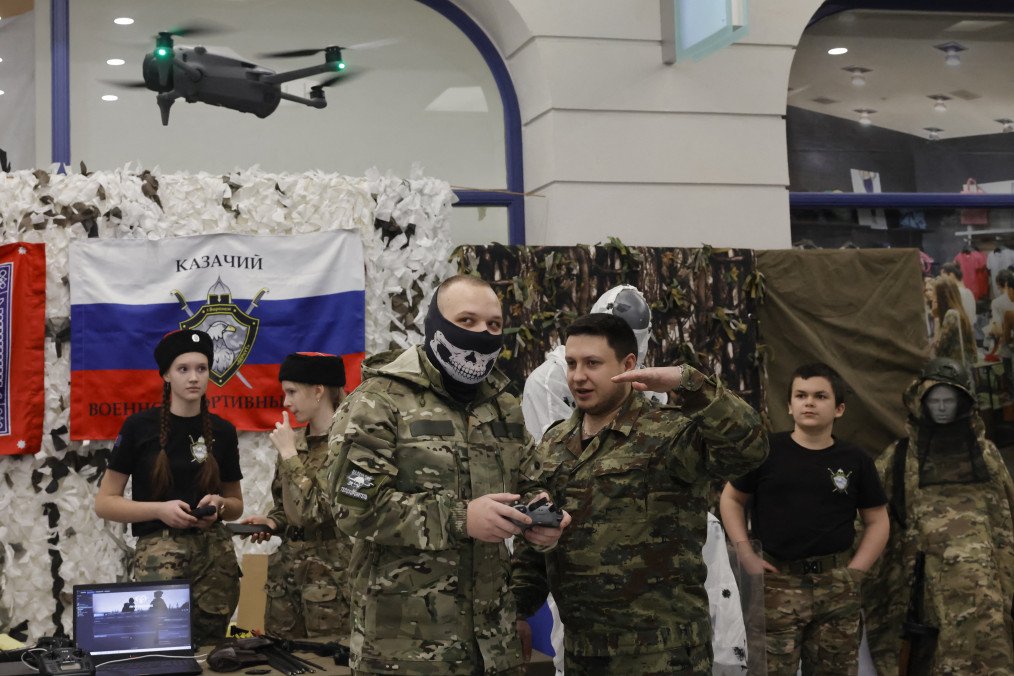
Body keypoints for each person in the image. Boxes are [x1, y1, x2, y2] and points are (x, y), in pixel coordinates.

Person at [327, 274, 571, 675]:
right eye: (467, 321)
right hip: (407, 652)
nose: (483, 334)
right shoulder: (377, 402)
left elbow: (530, 480)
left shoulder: (503, 406)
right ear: (435, 325)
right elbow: (353, 507)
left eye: (493, 325)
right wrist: (461, 518)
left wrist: (541, 515)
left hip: (494, 646)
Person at [512, 313, 768, 675]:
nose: (578, 376)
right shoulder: (553, 443)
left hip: (665, 656)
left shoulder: (669, 432)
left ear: (628, 364)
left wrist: (690, 381)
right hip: (583, 653)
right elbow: (533, 543)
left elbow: (750, 448)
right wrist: (518, 610)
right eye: (571, 363)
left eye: (593, 363)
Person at [719, 362, 889, 675]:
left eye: (820, 396)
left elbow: (877, 520)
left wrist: (856, 571)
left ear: (839, 409)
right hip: (776, 583)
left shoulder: (855, 460)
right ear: (790, 405)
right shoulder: (766, 452)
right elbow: (731, 498)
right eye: (801, 395)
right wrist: (744, 550)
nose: (809, 402)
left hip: (835, 584)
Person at [863, 358, 1014, 675]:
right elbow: (869, 517)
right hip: (927, 594)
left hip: (989, 591)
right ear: (920, 402)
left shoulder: (986, 455)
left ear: (963, 404)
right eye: (934, 400)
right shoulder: (899, 458)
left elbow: (1006, 517)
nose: (942, 407)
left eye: (949, 400)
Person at [94, 329, 243, 647]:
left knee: (213, 652)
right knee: (160, 649)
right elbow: (105, 503)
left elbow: (236, 504)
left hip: (215, 559)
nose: (194, 378)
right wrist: (160, 510)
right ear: (166, 375)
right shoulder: (139, 428)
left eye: (201, 369)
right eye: (183, 369)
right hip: (159, 561)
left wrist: (219, 506)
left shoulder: (224, 431)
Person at [240, 352, 351, 639]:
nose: (285, 402)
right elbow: (286, 505)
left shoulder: (350, 445)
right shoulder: (296, 440)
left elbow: (318, 511)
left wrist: (289, 454)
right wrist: (273, 522)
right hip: (286, 580)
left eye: (292, 392)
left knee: (328, 665)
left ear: (318, 391)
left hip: (331, 582)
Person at [930, 276, 976, 367]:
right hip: (964, 371)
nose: (932, 299)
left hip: (954, 374)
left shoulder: (951, 315)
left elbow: (938, 351)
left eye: (934, 295)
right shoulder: (960, 313)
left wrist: (936, 319)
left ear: (941, 298)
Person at [940, 262, 977, 326]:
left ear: (951, 275)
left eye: (943, 277)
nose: (942, 280)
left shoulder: (957, 293)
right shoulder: (968, 291)